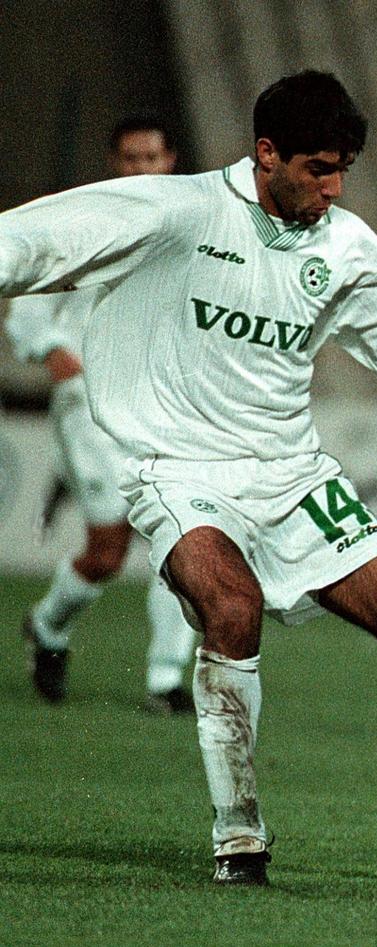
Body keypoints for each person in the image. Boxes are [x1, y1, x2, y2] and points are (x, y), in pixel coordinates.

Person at [0, 70, 377, 889]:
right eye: (318, 169)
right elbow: (31, 241)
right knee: (232, 606)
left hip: (292, 475)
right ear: (266, 154)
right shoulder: (177, 212)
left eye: (342, 171)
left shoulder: (348, 248)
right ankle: (239, 835)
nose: (333, 189)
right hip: (177, 469)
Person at [6, 116, 199, 713]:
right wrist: (50, 349)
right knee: (108, 551)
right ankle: (48, 624)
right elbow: (29, 294)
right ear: (115, 163)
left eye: (151, 157)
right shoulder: (85, 220)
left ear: (170, 161)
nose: (141, 168)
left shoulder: (192, 228)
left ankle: (164, 680)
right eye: (130, 158)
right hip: (88, 406)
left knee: (183, 540)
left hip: (161, 407)